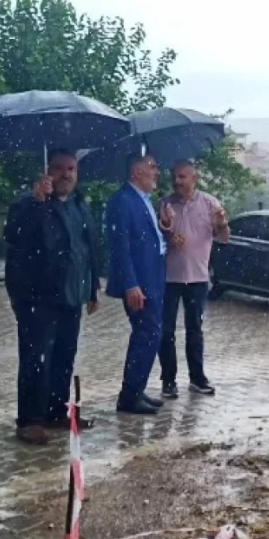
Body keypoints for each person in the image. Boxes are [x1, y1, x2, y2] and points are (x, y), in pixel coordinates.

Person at [4, 149, 101, 445]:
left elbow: (89, 248)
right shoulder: (29, 203)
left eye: (71, 169)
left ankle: (56, 410)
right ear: (47, 171)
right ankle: (30, 419)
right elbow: (14, 235)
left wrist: (92, 287)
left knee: (64, 356)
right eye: (59, 169)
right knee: (36, 358)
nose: (66, 175)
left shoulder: (79, 204)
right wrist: (37, 203)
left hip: (72, 294)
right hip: (38, 297)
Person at [106, 154, 172, 415]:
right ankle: (129, 396)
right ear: (136, 172)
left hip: (153, 278)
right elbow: (119, 247)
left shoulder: (144, 200)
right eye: (152, 167)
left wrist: (166, 226)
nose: (157, 172)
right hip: (139, 283)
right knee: (148, 334)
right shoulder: (122, 201)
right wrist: (130, 284)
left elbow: (150, 240)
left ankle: (136, 388)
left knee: (150, 334)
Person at [158, 161, 229, 399]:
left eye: (182, 177)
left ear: (194, 178)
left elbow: (224, 237)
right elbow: (159, 234)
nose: (177, 182)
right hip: (169, 278)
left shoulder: (210, 203)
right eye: (174, 177)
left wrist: (221, 224)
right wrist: (169, 233)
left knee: (194, 330)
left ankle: (197, 379)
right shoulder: (166, 203)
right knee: (166, 330)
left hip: (197, 278)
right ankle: (168, 381)